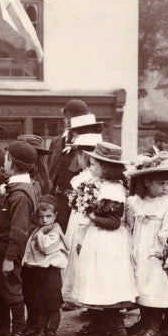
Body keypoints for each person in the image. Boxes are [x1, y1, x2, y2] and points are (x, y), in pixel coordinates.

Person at [72, 142, 137, 336]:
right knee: (98, 279)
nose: (90, 168)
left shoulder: (113, 191)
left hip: (109, 242)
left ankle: (116, 326)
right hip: (99, 239)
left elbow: (113, 222)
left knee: (108, 281)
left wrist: (90, 214)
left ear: (106, 167)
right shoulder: (104, 186)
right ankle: (101, 321)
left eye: (94, 164)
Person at [0, 140, 39, 336]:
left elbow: (19, 230)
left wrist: (10, 258)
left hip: (6, 248)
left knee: (12, 291)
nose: (3, 162)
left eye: (5, 158)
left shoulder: (21, 194)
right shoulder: (14, 187)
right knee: (0, 290)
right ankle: (3, 332)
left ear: (11, 161)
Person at [124, 153, 168, 336]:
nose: (165, 188)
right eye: (160, 184)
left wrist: (167, 239)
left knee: (156, 286)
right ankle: (146, 321)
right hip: (140, 248)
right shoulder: (136, 202)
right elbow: (131, 225)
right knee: (142, 283)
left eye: (167, 184)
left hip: (158, 251)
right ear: (146, 182)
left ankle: (156, 326)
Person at [21, 196, 69, 336]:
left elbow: (46, 247)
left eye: (48, 216)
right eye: (40, 217)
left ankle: (51, 334)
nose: (44, 220)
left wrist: (41, 233)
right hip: (39, 271)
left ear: (55, 216)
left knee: (52, 305)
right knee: (41, 303)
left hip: (51, 272)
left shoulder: (54, 232)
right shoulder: (39, 229)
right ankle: (40, 331)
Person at [48, 100, 104, 230]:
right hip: (57, 198)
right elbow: (50, 169)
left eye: (74, 118)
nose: (69, 121)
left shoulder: (89, 142)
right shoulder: (57, 141)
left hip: (77, 201)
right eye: (67, 118)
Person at [60, 132, 101, 307]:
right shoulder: (84, 174)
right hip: (77, 218)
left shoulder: (90, 178)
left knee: (83, 257)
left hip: (86, 220)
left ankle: (88, 303)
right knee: (75, 257)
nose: (77, 158)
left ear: (84, 155)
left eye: (78, 154)